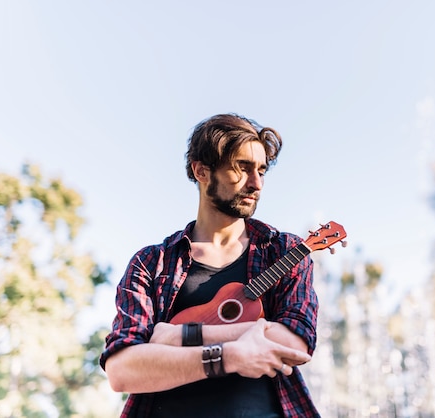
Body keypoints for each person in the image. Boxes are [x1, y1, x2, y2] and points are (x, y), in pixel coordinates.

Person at [99, 114, 320, 417]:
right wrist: (227, 356)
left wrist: (181, 336)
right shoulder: (151, 263)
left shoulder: (284, 252)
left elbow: (295, 342)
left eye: (261, 170)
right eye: (242, 168)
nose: (256, 183)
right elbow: (122, 370)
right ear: (201, 171)